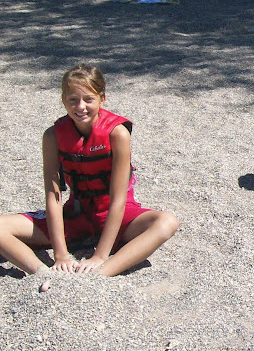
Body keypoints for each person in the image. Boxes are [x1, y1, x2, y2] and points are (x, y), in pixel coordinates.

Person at [0, 64, 179, 283]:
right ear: (63, 100)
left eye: (88, 99)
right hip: (75, 215)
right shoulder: (53, 136)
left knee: (167, 222)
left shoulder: (118, 134)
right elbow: (53, 196)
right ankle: (42, 273)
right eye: (72, 99)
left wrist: (100, 256)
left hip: (113, 214)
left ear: (102, 99)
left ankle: (100, 273)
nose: (80, 106)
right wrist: (60, 254)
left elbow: (118, 199)